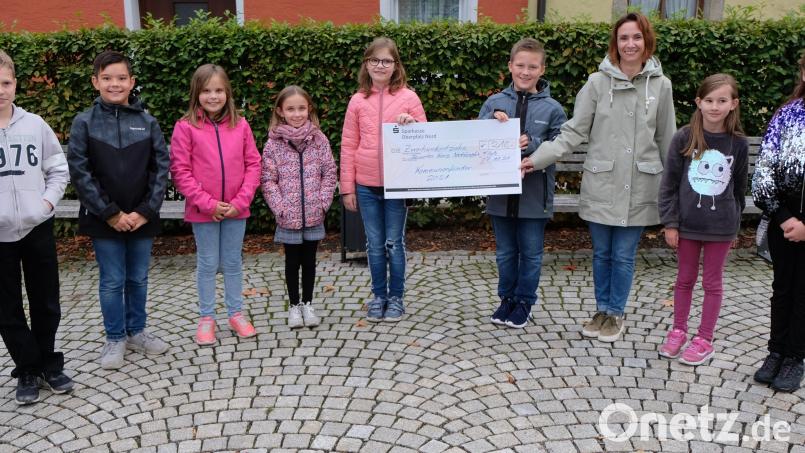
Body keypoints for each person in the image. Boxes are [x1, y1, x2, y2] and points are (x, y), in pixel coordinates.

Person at [521, 12, 676, 343]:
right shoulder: (596, 83)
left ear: (646, 40)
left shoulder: (661, 87)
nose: (630, 44)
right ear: (615, 43)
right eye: (623, 38)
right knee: (602, 253)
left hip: (640, 186)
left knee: (623, 254)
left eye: (636, 37)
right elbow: (572, 133)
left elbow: (667, 140)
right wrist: (534, 160)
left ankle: (616, 313)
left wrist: (672, 194)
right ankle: (602, 311)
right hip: (603, 184)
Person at [67, 50, 171, 369]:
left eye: (122, 78)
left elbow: (161, 168)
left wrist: (144, 211)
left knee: (138, 277)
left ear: (132, 82)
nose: (115, 84)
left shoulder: (146, 121)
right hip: (104, 220)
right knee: (113, 279)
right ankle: (115, 337)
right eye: (108, 78)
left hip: (142, 218)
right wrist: (110, 213)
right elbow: (80, 173)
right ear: (95, 81)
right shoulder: (84, 122)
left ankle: (137, 331)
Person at [658, 74, 747, 365]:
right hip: (687, 226)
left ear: (733, 104)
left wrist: (734, 226)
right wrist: (670, 222)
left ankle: (704, 338)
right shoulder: (684, 137)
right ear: (698, 102)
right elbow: (669, 183)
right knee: (684, 280)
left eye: (722, 100)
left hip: (720, 228)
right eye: (709, 100)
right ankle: (678, 330)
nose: (714, 106)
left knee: (712, 283)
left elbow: (738, 189)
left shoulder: (738, 144)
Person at [0, 50, 73, 404]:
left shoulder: (35, 124)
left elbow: (58, 170)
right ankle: (27, 369)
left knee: (46, 301)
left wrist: (45, 203)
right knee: (6, 307)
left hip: (36, 226)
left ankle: (49, 362)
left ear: (15, 83)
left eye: (6, 82)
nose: (1, 90)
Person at [479, 38, 567, 328]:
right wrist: (492, 122)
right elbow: (476, 140)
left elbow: (560, 146)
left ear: (542, 69)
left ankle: (525, 302)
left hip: (534, 196)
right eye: (520, 65)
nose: (525, 72)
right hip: (500, 197)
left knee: (530, 253)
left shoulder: (553, 108)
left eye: (532, 67)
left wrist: (534, 143)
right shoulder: (494, 103)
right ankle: (506, 299)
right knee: (505, 252)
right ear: (510, 66)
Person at [170, 64, 261, 345]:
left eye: (219, 90)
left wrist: (240, 201)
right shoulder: (185, 127)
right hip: (202, 211)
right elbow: (180, 171)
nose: (213, 96)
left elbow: (253, 164)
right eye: (207, 91)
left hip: (237, 209)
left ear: (228, 93)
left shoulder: (241, 124)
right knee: (208, 263)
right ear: (197, 94)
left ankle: (236, 313)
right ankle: (207, 317)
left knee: (233, 262)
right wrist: (208, 204)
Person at [340, 37, 427, 322]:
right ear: (366, 64)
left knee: (394, 242)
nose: (380, 65)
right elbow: (348, 144)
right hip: (366, 184)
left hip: (397, 183)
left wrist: (411, 125)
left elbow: (426, 138)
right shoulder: (357, 100)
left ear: (395, 65)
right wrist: (348, 187)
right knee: (374, 244)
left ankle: (397, 298)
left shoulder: (409, 98)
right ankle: (378, 296)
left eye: (386, 61)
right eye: (374, 60)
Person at [751, 50, 805, 392]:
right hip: (782, 220)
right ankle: (775, 352)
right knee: (782, 290)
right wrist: (784, 217)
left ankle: (795, 357)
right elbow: (763, 171)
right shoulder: (787, 114)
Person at [261, 85, 337, 328]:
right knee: (292, 262)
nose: (296, 114)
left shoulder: (319, 139)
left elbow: (329, 172)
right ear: (281, 111)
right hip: (288, 216)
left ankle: (308, 303)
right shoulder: (273, 144)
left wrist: (323, 202)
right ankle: (294, 306)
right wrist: (280, 207)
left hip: (314, 213)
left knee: (310, 261)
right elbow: (267, 179)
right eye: (291, 109)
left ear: (309, 109)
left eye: (301, 108)